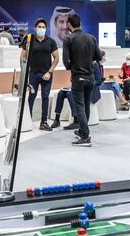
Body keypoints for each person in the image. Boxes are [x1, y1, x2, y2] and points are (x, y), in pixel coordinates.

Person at [62, 13, 101, 147]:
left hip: (78, 77)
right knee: (86, 105)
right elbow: (98, 56)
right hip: (90, 77)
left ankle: (85, 136)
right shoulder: (91, 38)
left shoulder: (68, 39)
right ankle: (82, 130)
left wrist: (72, 65)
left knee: (80, 107)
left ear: (69, 25)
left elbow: (66, 63)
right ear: (80, 23)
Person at [21, 17, 60, 131]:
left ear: (46, 28)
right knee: (31, 97)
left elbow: (56, 57)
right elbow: (23, 56)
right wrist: (24, 71)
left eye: (43, 27)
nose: (41, 29)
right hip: (33, 74)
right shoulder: (29, 40)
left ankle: (43, 122)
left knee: (45, 97)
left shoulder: (51, 41)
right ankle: (27, 120)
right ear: (35, 28)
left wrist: (49, 72)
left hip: (46, 75)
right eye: (39, 27)